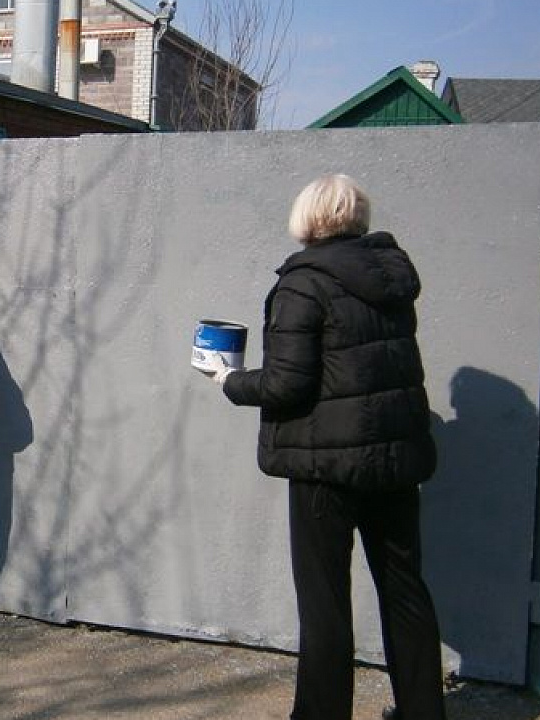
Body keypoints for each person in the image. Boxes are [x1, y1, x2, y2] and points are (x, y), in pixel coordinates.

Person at [202, 174, 445, 720]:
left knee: (326, 603)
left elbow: (288, 384)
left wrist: (229, 380)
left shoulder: (303, 284)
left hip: (324, 466)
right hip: (395, 459)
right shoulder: (393, 279)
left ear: (308, 218)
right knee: (406, 593)